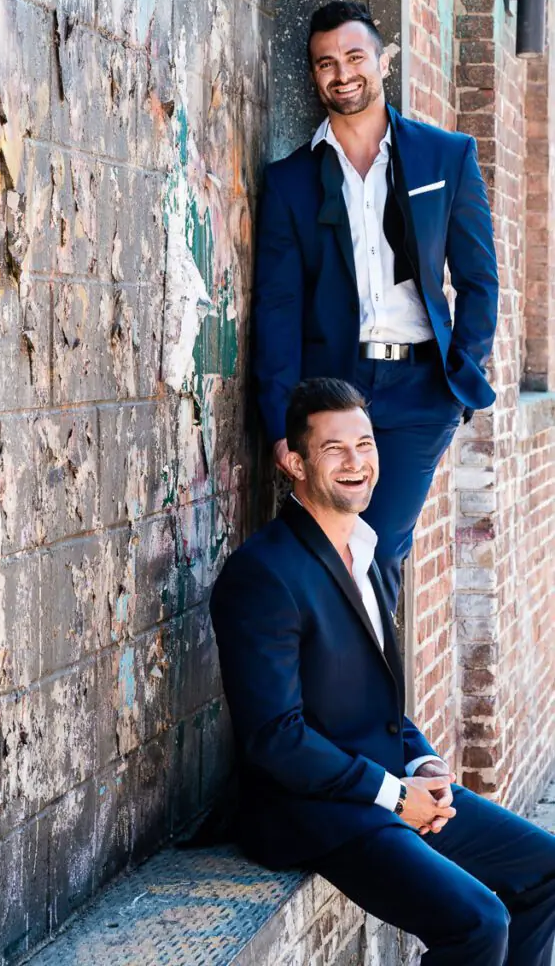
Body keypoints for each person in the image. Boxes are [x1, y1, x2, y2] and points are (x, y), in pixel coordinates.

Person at [210, 378, 555, 966]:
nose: (356, 462)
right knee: (478, 923)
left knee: (545, 869)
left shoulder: (367, 552)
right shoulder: (263, 574)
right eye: (334, 449)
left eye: (364, 445)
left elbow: (373, 701)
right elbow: (274, 739)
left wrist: (423, 762)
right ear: (295, 463)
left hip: (386, 784)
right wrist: (395, 796)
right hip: (313, 809)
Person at [253, 0, 499, 610]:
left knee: (380, 548)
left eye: (354, 56)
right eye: (326, 63)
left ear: (382, 60)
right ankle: (345, 673)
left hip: (419, 389)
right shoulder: (290, 181)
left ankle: (371, 676)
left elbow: (478, 279)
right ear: (314, 75)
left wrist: (461, 376)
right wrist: (281, 424)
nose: (343, 74)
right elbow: (278, 308)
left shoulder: (447, 157)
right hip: (331, 387)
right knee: (328, 547)